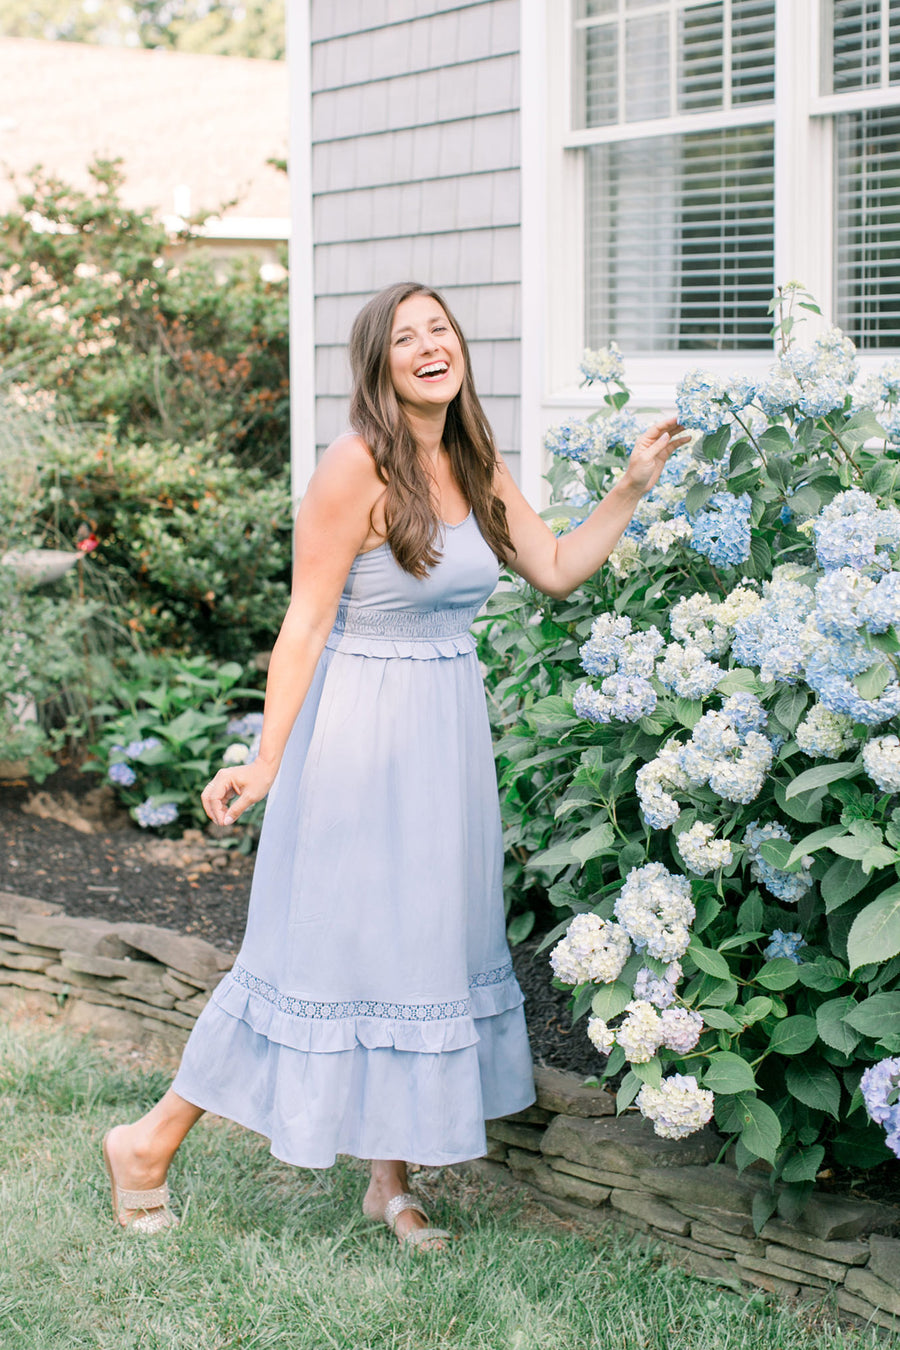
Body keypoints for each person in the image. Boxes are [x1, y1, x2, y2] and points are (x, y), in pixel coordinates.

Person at [102, 281, 688, 1248]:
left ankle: (389, 1184)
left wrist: (629, 488)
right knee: (318, 955)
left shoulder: (475, 458)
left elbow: (553, 565)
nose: (429, 345)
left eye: (441, 329)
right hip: (357, 742)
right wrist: (264, 758)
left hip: (443, 737)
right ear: (378, 365)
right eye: (405, 337)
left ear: (460, 349)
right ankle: (149, 1141)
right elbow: (305, 621)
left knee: (419, 951)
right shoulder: (354, 465)